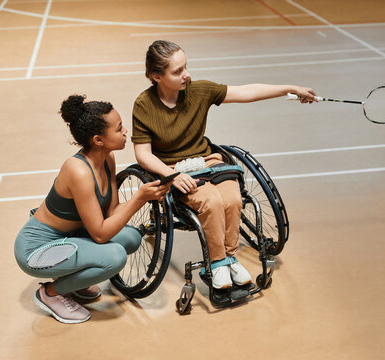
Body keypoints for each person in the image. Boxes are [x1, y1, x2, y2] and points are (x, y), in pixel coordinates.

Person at [132, 40, 315, 290]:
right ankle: (217, 263)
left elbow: (247, 92)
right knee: (212, 203)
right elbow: (143, 154)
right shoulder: (144, 104)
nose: (187, 74)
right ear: (156, 76)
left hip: (207, 162)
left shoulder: (200, 91)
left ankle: (230, 258)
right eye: (177, 71)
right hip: (174, 170)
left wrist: (290, 88)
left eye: (185, 67)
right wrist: (170, 174)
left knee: (233, 200)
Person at [14, 95, 172, 324]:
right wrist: (139, 199)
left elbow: (111, 214)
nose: (125, 131)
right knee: (115, 257)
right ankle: (50, 293)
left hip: (69, 237)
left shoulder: (108, 159)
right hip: (36, 250)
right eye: (119, 129)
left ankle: (72, 280)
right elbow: (100, 234)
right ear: (99, 140)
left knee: (131, 238)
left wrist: (147, 195)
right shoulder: (78, 171)